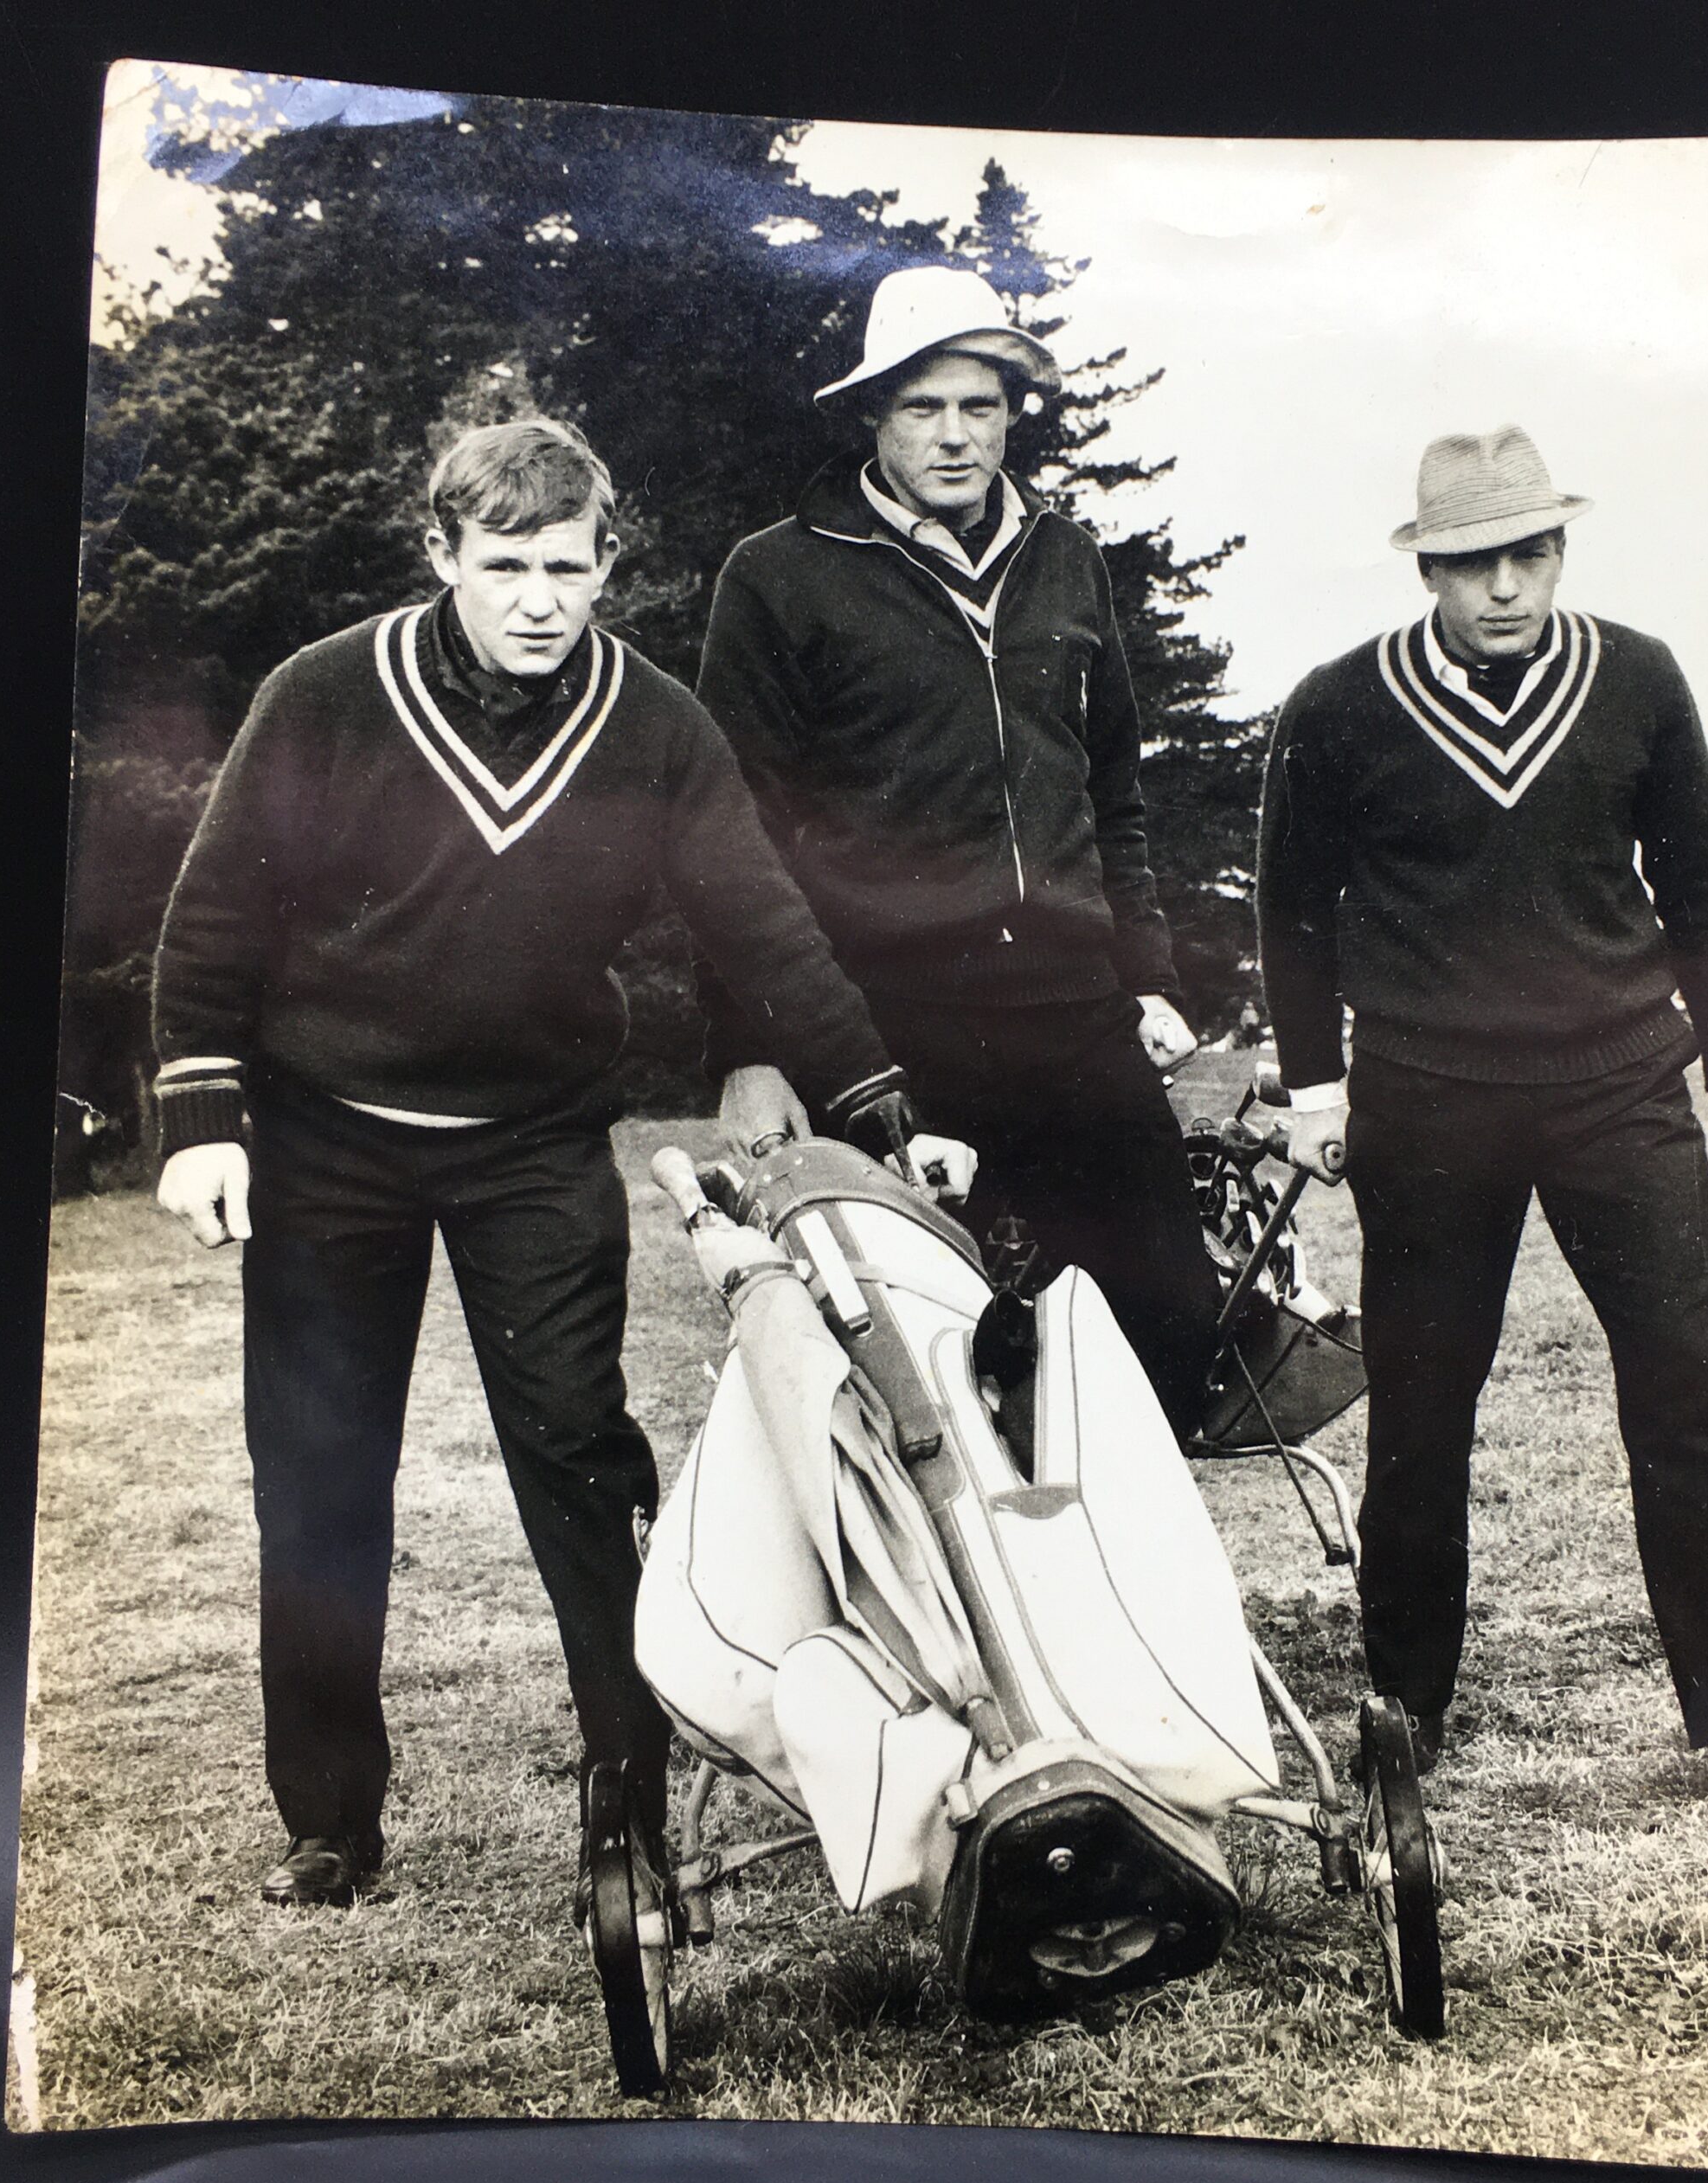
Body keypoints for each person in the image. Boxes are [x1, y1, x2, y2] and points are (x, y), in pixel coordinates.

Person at [151, 417, 966, 1909]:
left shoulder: (652, 725)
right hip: (330, 1141)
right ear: (444, 556)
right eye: (507, 565)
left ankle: (630, 1800)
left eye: (570, 569)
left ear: (608, 566)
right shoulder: (323, 695)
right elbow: (214, 922)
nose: (540, 597)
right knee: (320, 1480)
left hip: (532, 1144)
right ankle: (332, 1821)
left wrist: (885, 1106)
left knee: (584, 1461)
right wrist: (203, 1117)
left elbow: (763, 926)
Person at [1256, 424, 1708, 1818]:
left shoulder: (1637, 677)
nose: (1504, 585)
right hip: (1428, 1097)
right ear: (1426, 568)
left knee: (1696, 1394)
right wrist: (1318, 1085)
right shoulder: (1336, 707)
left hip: (1621, 1082)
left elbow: (1702, 887)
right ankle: (1402, 1718)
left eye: (1531, 553)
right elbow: (1293, 913)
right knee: (1425, 1411)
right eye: (1472, 562)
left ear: (1560, 550)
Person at [693, 266, 1218, 1436]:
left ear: (1014, 412)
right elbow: (731, 846)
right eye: (922, 406)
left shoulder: (1067, 558)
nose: (953, 434)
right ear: (870, 414)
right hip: (889, 1028)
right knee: (919, 1373)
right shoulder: (781, 576)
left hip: (1076, 1010)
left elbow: (1114, 788)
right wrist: (749, 1051)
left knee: (1162, 1338)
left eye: (980, 405)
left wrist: (1149, 976)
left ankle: (1109, 1606)